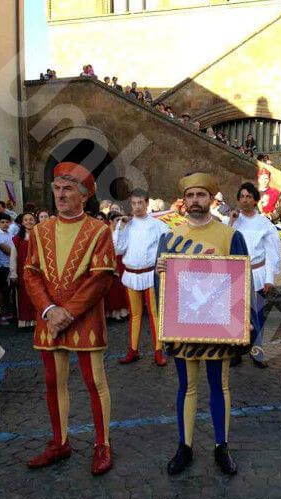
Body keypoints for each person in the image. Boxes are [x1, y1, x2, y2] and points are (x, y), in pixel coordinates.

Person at [156, 172, 257, 476]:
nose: (195, 200)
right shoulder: (169, 237)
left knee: (219, 386)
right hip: (183, 325)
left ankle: (221, 446)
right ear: (184, 201)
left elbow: (244, 281)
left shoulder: (230, 236)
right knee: (186, 387)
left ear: (211, 199)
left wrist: (247, 321)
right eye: (190, 195)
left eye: (201, 195)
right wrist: (159, 270)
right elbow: (162, 286)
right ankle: (184, 447)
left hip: (219, 326)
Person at [24, 162, 116, 476]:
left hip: (84, 318)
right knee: (53, 381)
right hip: (49, 318)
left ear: (84, 196)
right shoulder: (39, 231)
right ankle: (60, 442)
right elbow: (31, 273)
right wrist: (49, 310)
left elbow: (101, 278)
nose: (61, 195)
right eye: (57, 189)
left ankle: (102, 444)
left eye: (68, 189)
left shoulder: (99, 230)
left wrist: (68, 312)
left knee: (94, 382)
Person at [113, 188, 170, 366]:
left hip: (151, 275)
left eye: (140, 203)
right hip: (131, 275)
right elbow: (118, 249)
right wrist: (121, 228)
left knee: (154, 314)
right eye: (133, 203)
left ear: (147, 203)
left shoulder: (158, 225)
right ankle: (133, 350)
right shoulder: (126, 225)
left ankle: (158, 352)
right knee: (135, 315)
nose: (137, 206)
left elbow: (167, 247)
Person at [229, 182, 281, 368]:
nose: (245, 200)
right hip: (236, 274)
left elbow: (271, 252)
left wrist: (269, 278)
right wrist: (231, 222)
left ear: (255, 200)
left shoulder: (264, 223)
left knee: (257, 315)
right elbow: (225, 243)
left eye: (249, 196)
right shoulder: (233, 220)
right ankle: (236, 352)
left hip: (257, 274)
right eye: (242, 196)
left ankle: (257, 353)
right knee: (235, 315)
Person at [9, 213, 37, 328]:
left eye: (31, 219)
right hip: (22, 272)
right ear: (22, 222)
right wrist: (13, 273)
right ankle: (25, 322)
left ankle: (36, 321)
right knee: (23, 297)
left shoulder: (39, 237)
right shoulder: (17, 239)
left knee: (36, 296)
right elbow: (13, 257)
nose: (28, 222)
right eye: (26, 220)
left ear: (34, 221)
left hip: (37, 272)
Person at [0, 212, 14, 324]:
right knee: (2, 291)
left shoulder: (9, 233)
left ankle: (8, 313)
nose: (5, 224)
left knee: (9, 291)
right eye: (2, 222)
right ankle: (1, 316)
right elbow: (8, 251)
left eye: (7, 222)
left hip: (10, 265)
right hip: (2, 267)